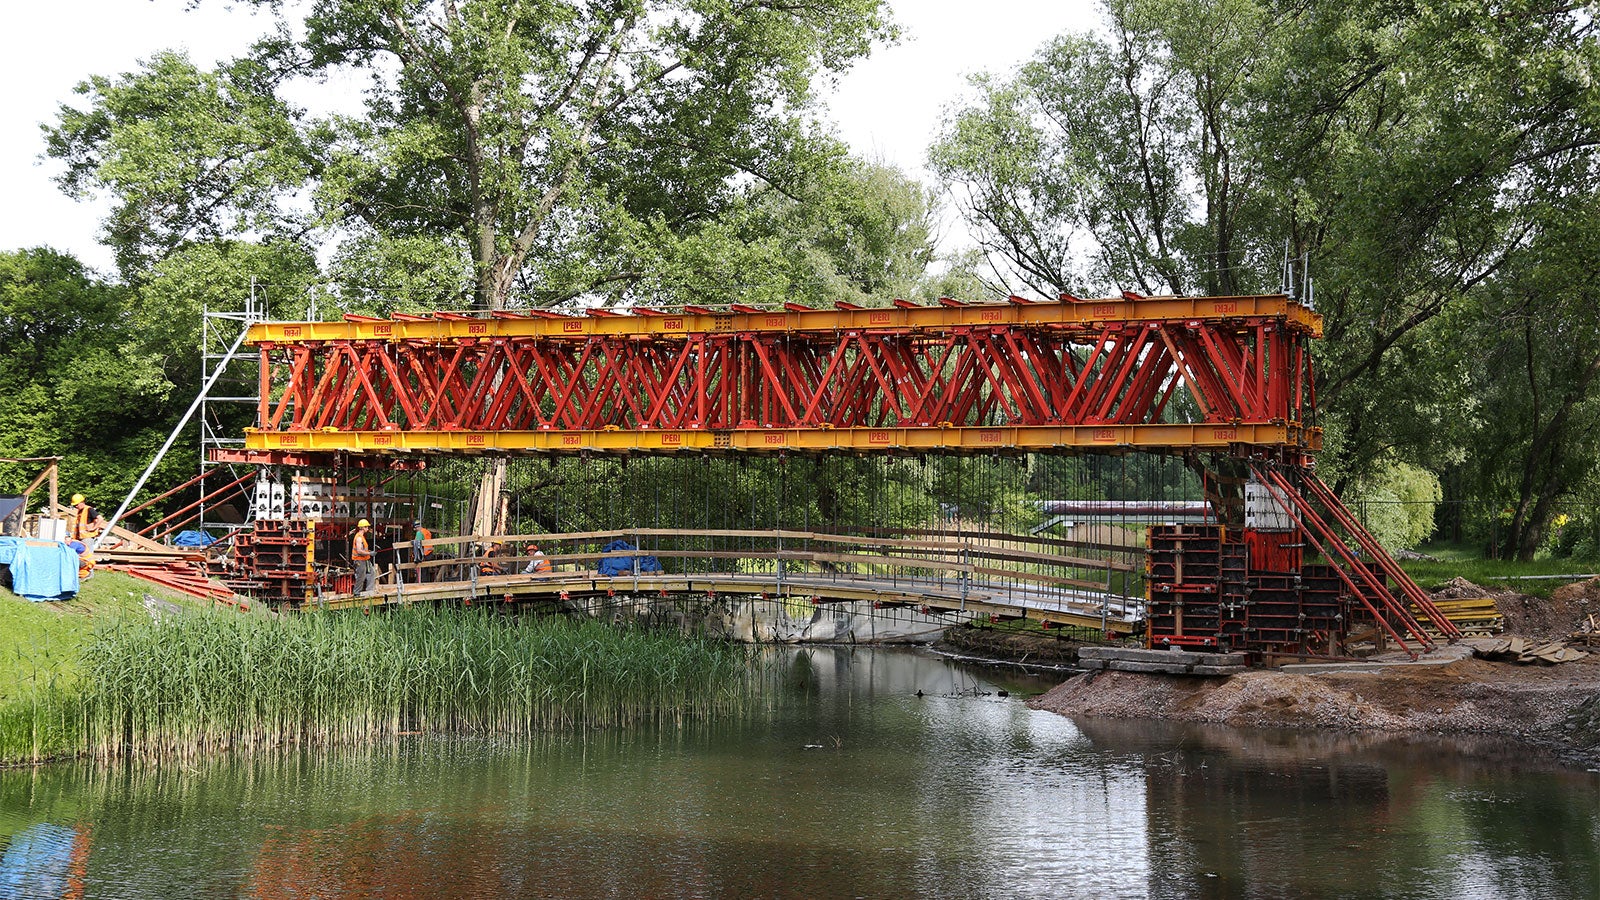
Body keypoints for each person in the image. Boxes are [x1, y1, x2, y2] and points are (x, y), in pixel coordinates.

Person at [351, 519, 376, 595]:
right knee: (361, 576)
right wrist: (370, 553)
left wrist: (369, 552)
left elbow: (363, 549)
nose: (368, 529)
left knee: (372, 573)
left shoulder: (362, 537)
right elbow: (359, 551)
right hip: (359, 560)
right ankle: (357, 593)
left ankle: (369, 591)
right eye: (367, 527)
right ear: (363, 527)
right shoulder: (359, 538)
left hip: (365, 560)